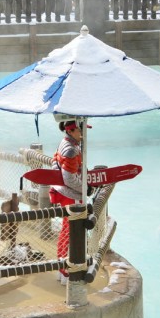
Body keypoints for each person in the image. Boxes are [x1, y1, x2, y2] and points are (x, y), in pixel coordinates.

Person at [50, 117, 90, 281]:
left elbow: (54, 162)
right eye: (81, 130)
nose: (83, 134)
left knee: (67, 230)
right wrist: (84, 188)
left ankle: (62, 267)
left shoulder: (65, 143)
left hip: (64, 193)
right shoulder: (71, 149)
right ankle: (66, 268)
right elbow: (69, 179)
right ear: (71, 130)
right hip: (71, 195)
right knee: (70, 232)